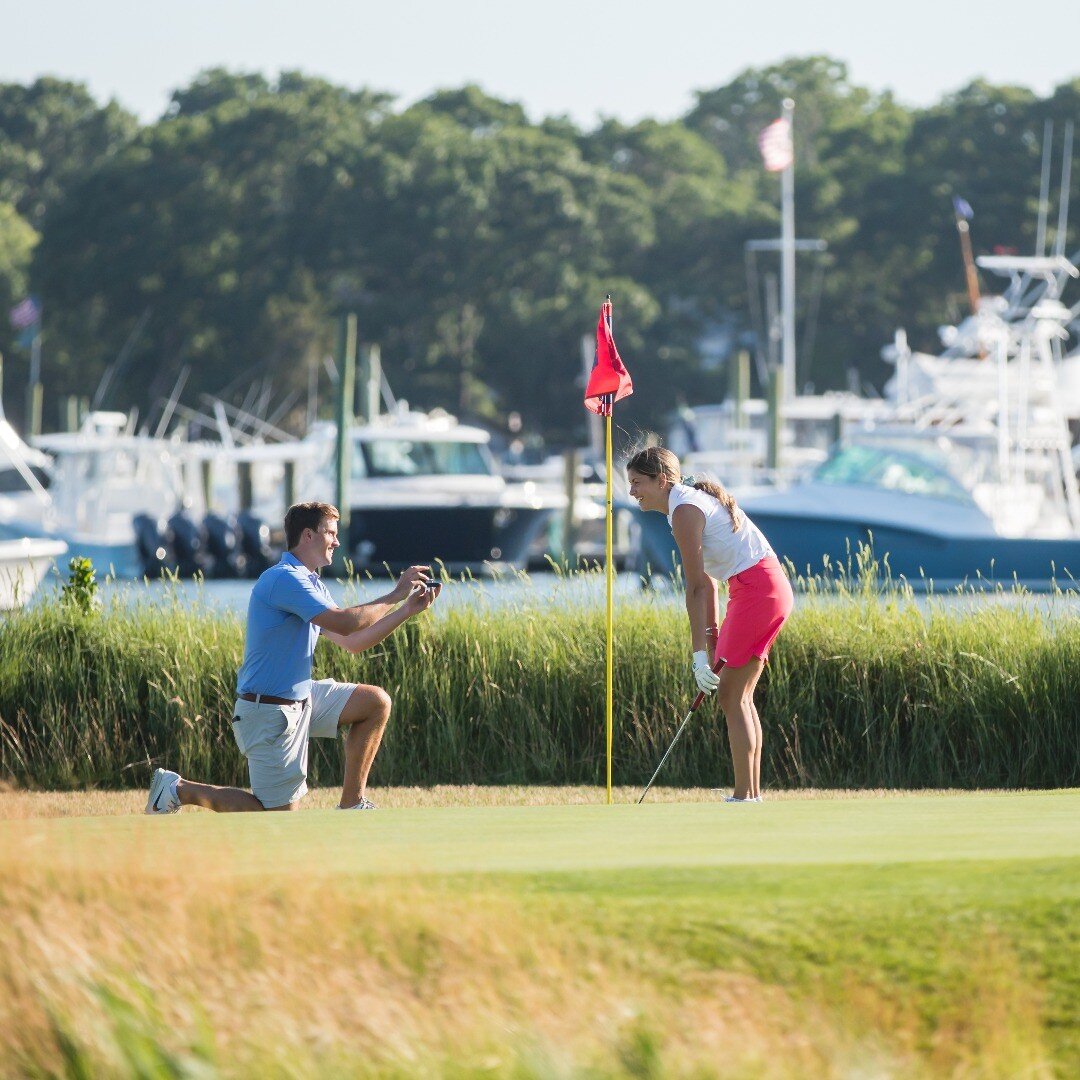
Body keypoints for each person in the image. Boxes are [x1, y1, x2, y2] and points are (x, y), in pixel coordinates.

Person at [145, 501, 439, 814]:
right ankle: (177, 788)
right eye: (330, 533)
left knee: (374, 702)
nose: (337, 542)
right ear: (308, 536)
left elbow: (353, 641)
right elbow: (347, 622)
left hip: (301, 698)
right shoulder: (284, 578)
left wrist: (407, 610)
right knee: (276, 817)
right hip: (269, 712)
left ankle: (352, 803)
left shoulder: (312, 583)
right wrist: (394, 595)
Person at [626, 445, 793, 802]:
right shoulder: (682, 504)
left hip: (757, 590)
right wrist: (712, 638)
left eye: (638, 483)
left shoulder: (684, 509)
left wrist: (699, 656)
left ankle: (744, 795)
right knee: (740, 695)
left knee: (732, 694)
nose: (632, 492)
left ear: (662, 480)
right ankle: (750, 795)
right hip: (760, 587)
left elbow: (697, 587)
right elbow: (711, 584)